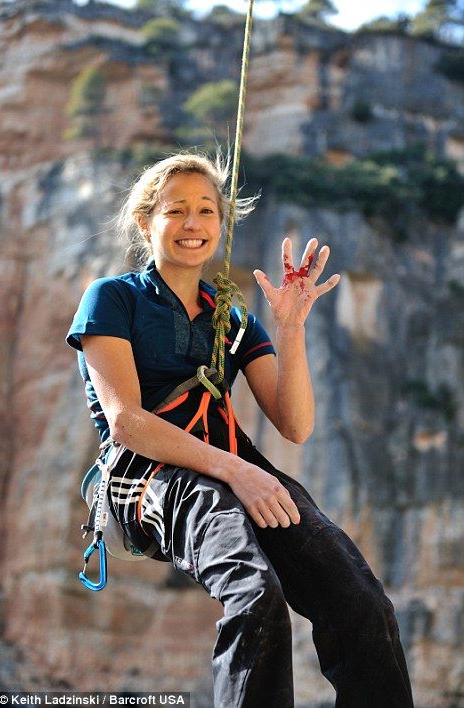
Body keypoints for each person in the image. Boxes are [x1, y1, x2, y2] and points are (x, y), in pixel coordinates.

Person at [66, 152, 414, 707]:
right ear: (145, 222)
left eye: (206, 211)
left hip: (233, 468)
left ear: (221, 225)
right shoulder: (113, 299)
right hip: (152, 477)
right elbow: (127, 422)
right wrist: (237, 472)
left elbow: (295, 425)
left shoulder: (231, 316)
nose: (193, 224)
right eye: (176, 210)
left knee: (360, 601)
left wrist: (291, 329)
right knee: (256, 595)